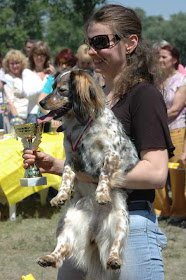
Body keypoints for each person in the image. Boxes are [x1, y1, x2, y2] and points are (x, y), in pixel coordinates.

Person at [23, 4, 174, 280]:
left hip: (129, 222)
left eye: (101, 42)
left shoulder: (144, 96)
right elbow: (86, 163)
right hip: (83, 216)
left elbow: (155, 173)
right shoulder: (95, 97)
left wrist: (82, 173)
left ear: (130, 43)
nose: (92, 51)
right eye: (89, 43)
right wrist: (57, 165)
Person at [156, 44, 186, 223]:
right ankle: (161, 208)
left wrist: (151, 117)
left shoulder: (182, 80)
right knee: (158, 169)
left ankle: (179, 211)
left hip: (176, 130)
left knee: (176, 172)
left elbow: (175, 110)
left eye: (164, 57)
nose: (160, 60)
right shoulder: (159, 82)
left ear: (174, 60)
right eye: (159, 57)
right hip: (159, 130)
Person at [37, 48, 77, 131]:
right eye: (60, 63)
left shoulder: (77, 81)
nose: (63, 66)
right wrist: (52, 117)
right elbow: (41, 101)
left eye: (67, 63)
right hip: (52, 125)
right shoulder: (52, 79)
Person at [22, 40, 55, 123]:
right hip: (33, 114)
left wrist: (54, 76)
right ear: (32, 55)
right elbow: (27, 94)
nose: (39, 57)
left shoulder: (50, 73)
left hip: (49, 113)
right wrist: (46, 87)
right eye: (36, 54)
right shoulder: (27, 72)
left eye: (42, 55)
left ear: (46, 57)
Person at [2, 49, 29, 132]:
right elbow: (10, 102)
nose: (14, 66)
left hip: (30, 116)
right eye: (12, 63)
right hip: (17, 118)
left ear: (22, 63)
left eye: (17, 63)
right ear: (8, 65)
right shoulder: (7, 78)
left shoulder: (26, 75)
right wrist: (17, 120)